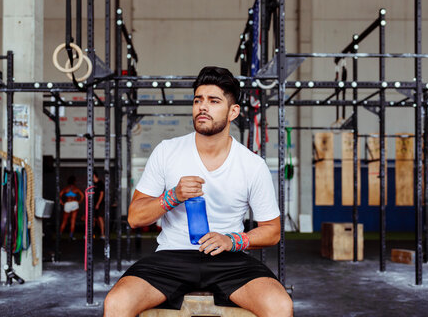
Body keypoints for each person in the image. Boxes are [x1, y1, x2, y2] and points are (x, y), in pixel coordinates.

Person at [104, 66, 292, 317]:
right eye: (197, 100)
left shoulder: (252, 165)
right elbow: (135, 217)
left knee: (280, 306)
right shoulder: (166, 151)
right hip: (171, 256)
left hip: (229, 258)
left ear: (233, 111)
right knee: (116, 303)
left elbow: (272, 231)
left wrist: (233, 240)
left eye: (213, 101)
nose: (203, 107)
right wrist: (172, 197)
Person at [59, 176, 84, 240]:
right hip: (74, 203)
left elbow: (59, 195)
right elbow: (82, 195)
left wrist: (61, 202)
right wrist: (79, 202)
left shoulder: (66, 188)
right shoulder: (76, 188)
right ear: (74, 182)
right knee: (73, 221)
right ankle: (71, 236)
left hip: (67, 204)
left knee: (64, 221)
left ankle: (59, 235)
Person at [93, 171, 106, 239]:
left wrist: (98, 204)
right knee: (93, 218)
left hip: (100, 204)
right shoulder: (92, 184)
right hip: (93, 203)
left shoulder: (100, 183)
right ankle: (92, 234)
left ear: (94, 175)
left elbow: (101, 194)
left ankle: (102, 234)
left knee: (100, 218)